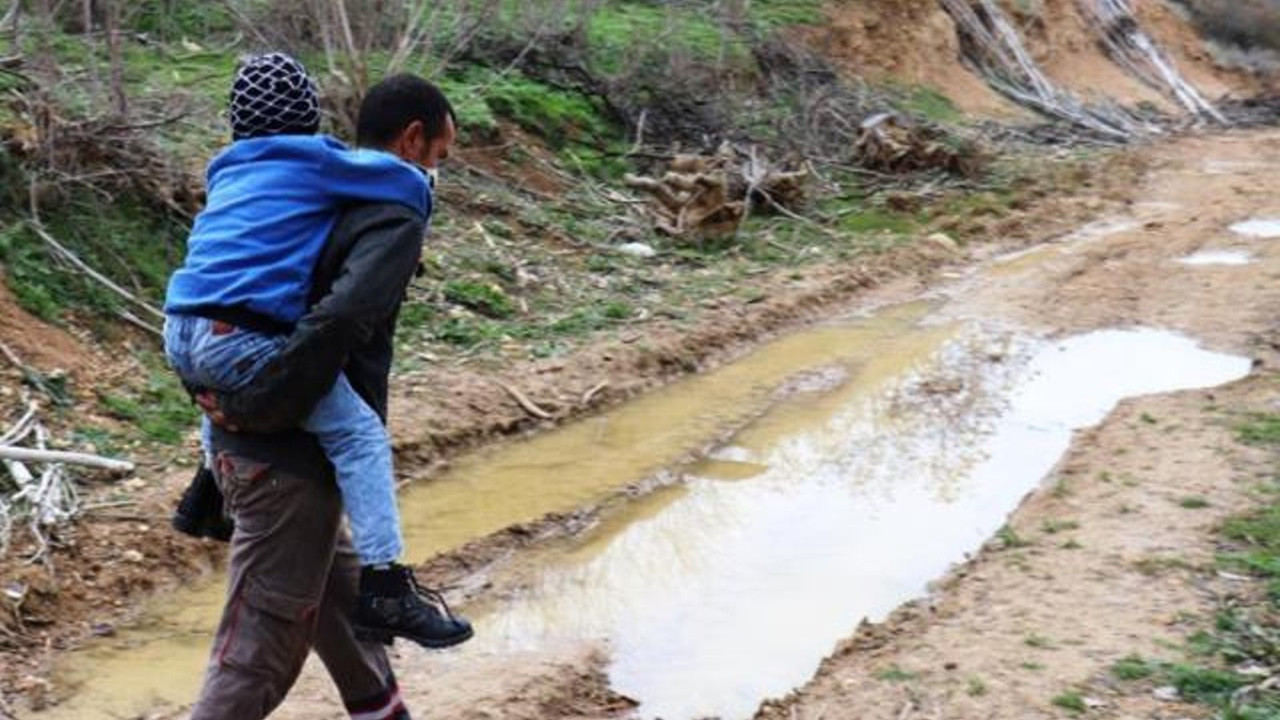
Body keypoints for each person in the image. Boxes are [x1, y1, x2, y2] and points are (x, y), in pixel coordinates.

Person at [184, 72, 468, 720]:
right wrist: (260, 406)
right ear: (414, 139)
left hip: (266, 445)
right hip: (283, 458)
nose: (438, 173)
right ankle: (391, 585)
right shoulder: (389, 209)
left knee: (341, 612)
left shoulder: (295, 193)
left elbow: (225, 307)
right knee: (258, 652)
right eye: (441, 158)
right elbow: (336, 322)